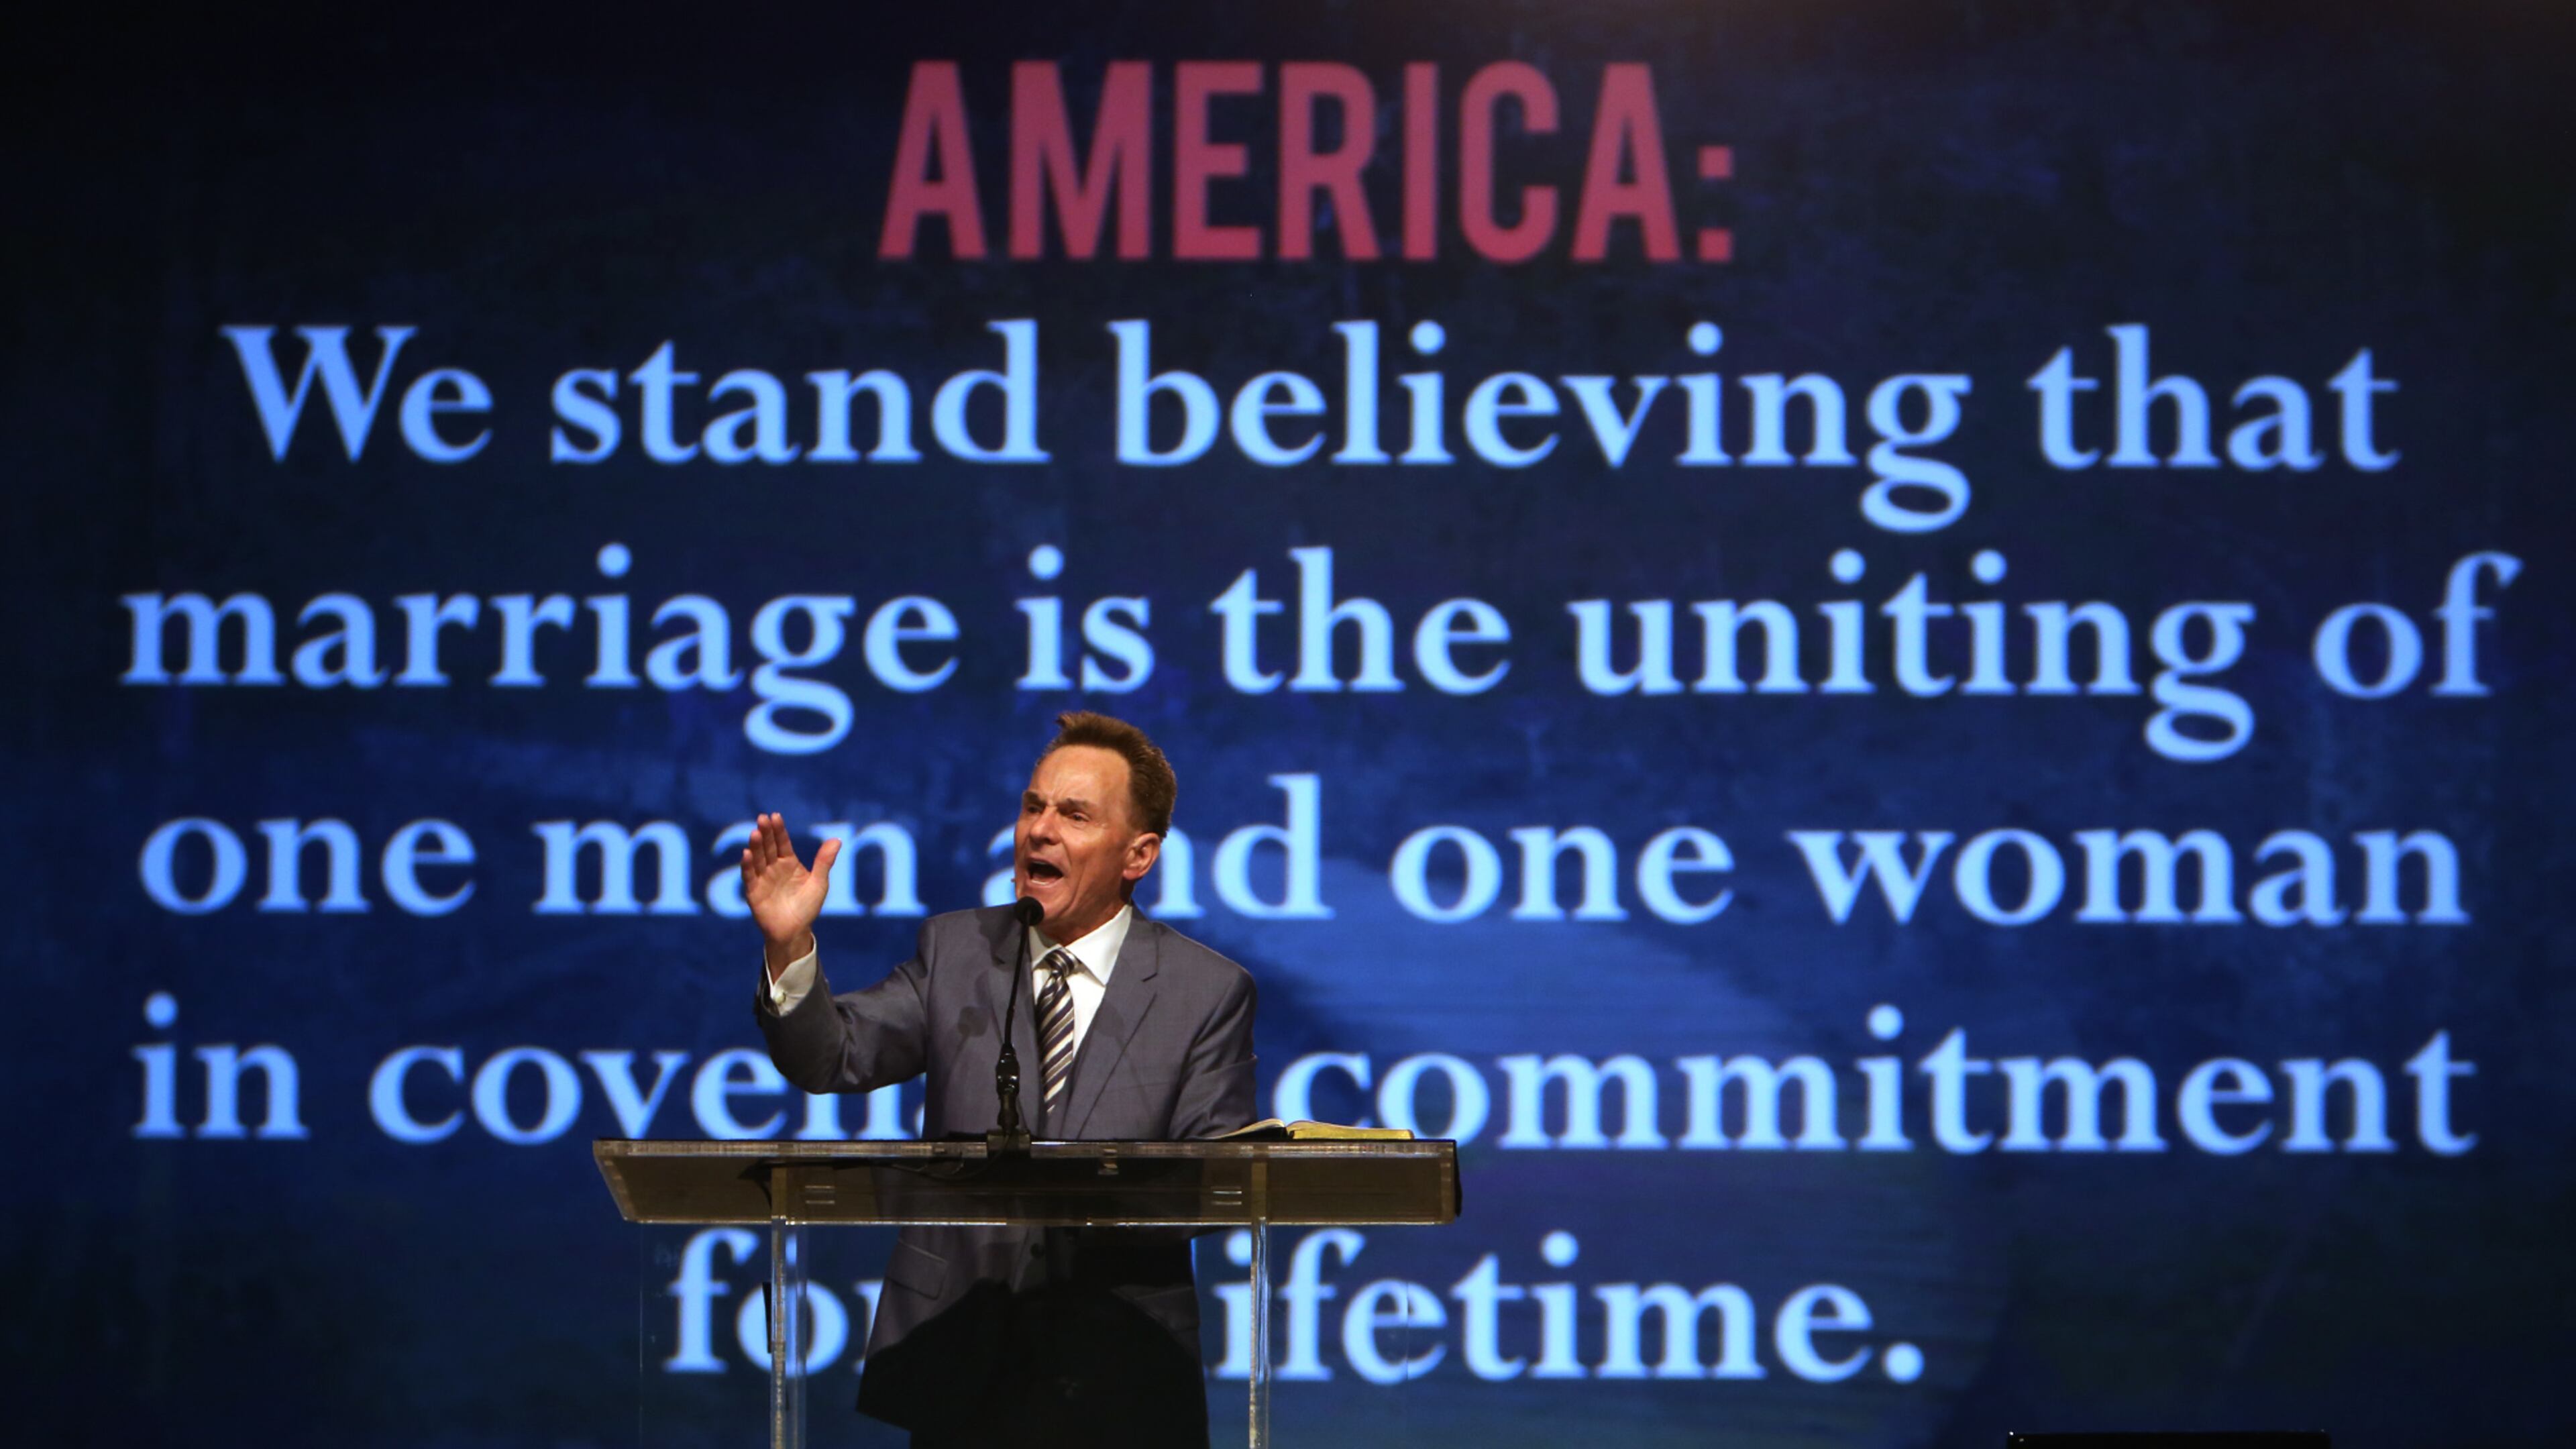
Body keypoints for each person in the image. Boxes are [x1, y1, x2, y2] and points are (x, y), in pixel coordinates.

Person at [745, 711, 1257, 1446]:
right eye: (1033, 807)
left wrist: (1080, 1189)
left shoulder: (1205, 990)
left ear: (1138, 855)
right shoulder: (958, 950)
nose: (1040, 831)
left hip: (1120, 1371)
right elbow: (833, 1055)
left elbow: (1214, 1184)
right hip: (962, 1363)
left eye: (1074, 815)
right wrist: (789, 944)